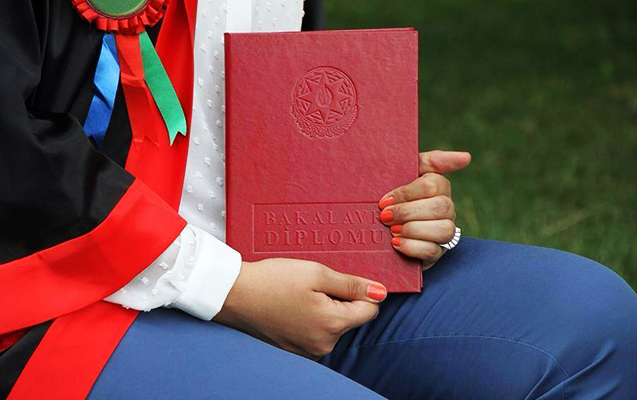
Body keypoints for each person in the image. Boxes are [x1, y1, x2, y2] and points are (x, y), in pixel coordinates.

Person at [0, 0, 635, 399]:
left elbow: (267, 101)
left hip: (273, 263)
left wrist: (376, 202)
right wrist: (225, 286)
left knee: (591, 322)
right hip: (65, 295)